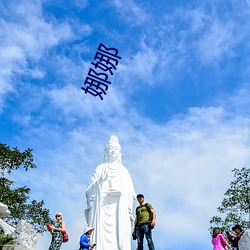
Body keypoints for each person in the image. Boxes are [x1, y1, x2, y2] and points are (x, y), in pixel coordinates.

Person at [85, 135, 136, 250]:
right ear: (106, 151)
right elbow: (88, 190)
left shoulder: (124, 171)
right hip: (101, 208)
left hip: (119, 209)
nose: (113, 151)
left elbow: (131, 193)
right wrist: (100, 181)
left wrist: (122, 192)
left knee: (119, 237)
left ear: (120, 152)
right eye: (111, 148)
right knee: (100, 237)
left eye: (115, 149)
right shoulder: (100, 169)